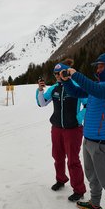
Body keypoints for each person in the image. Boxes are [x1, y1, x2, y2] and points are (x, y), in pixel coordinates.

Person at [61, 52, 105, 209]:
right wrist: (66, 81)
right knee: (92, 174)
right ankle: (95, 204)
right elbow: (77, 92)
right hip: (90, 139)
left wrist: (74, 73)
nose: (97, 69)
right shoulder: (98, 85)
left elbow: (97, 91)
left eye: (100, 65)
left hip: (104, 142)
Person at [36, 60, 87, 201]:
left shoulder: (77, 87)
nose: (57, 76)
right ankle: (60, 179)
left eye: (60, 73)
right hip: (57, 128)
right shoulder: (54, 88)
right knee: (57, 157)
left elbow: (88, 105)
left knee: (73, 160)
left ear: (67, 73)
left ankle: (79, 189)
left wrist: (78, 118)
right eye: (55, 74)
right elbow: (42, 103)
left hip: (73, 129)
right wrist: (40, 90)